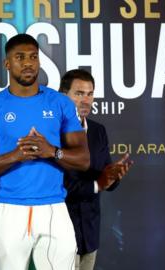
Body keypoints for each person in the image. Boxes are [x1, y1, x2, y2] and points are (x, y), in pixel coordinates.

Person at [0, 34, 90, 270]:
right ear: (6, 64)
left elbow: (84, 160)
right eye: (20, 57)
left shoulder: (61, 104)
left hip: (54, 207)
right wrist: (17, 155)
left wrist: (51, 151)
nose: (28, 63)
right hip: (8, 209)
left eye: (33, 57)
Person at [59, 69, 133, 270]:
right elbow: (58, 186)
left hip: (90, 234)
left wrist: (113, 176)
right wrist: (96, 184)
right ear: (62, 96)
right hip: (59, 234)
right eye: (79, 93)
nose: (86, 100)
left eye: (90, 94)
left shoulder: (98, 131)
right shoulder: (50, 132)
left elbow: (105, 178)